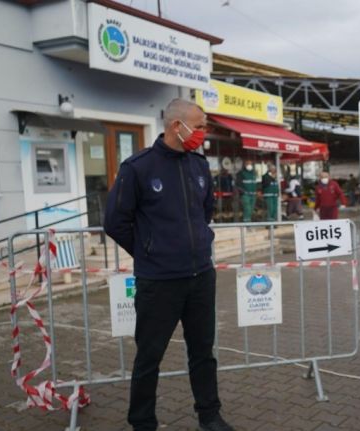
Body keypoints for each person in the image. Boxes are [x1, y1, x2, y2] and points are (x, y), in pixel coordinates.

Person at [104, 99, 233, 431]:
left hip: (201, 276)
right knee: (149, 357)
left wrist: (198, 244)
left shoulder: (199, 166)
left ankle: (209, 415)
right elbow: (115, 222)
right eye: (200, 125)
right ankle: (142, 422)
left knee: (203, 353)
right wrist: (150, 252)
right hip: (159, 282)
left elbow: (204, 214)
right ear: (178, 126)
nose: (203, 132)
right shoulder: (138, 168)